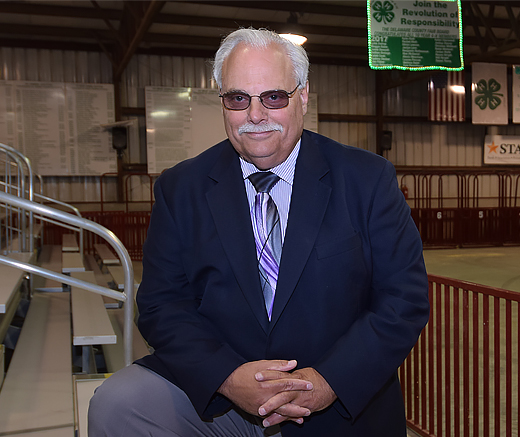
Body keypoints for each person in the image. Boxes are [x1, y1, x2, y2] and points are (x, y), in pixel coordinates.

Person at [88, 28, 429, 437]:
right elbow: (162, 304)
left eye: (273, 97)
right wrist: (228, 377)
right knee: (118, 404)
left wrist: (327, 382)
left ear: (302, 96)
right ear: (223, 103)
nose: (255, 115)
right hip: (222, 400)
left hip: (332, 403)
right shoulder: (182, 188)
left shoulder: (367, 179)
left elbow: (403, 298)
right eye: (238, 99)